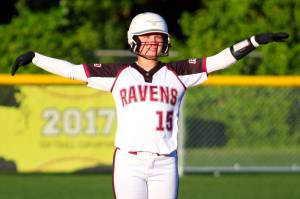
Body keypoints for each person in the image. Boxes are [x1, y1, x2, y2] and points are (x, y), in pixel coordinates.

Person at [12, 12, 288, 199]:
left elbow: (217, 60)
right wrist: (35, 58)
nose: (154, 42)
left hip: (165, 163)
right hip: (129, 161)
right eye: (148, 37)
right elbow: (73, 70)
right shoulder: (117, 74)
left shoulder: (179, 72)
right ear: (134, 40)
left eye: (159, 37)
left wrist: (252, 42)